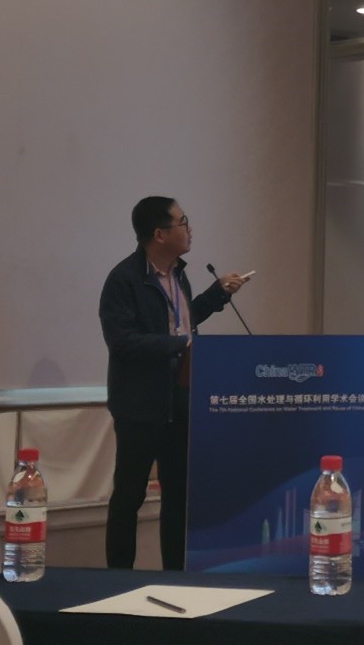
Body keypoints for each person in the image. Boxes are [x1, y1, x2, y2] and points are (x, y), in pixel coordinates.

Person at [99, 196, 249, 570]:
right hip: (139, 404)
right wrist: (179, 344)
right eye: (183, 222)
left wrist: (218, 293)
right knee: (129, 497)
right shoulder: (124, 280)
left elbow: (183, 323)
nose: (189, 229)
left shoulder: (178, 274)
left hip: (180, 398)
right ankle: (117, 579)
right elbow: (123, 342)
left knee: (178, 497)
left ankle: (176, 577)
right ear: (160, 234)